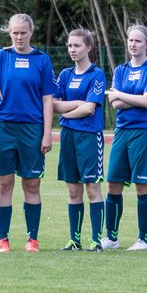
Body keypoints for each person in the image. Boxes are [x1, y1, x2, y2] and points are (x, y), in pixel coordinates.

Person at [0, 13, 57, 252]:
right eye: (14, 32)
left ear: (31, 32)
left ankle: (32, 239)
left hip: (33, 129)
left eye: (23, 32)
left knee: (31, 184)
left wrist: (47, 133)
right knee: (4, 183)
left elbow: (48, 99)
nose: (19, 36)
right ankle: (3, 239)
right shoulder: (1, 56)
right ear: (9, 33)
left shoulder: (42, 60)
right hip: (4, 127)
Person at [103, 25, 147, 251]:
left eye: (138, 41)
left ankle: (143, 239)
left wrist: (122, 95)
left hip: (146, 131)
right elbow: (114, 102)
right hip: (122, 131)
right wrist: (137, 97)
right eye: (130, 40)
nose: (133, 44)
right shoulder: (120, 70)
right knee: (112, 184)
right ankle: (111, 237)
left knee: (141, 185)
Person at [52, 28, 106, 252]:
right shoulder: (65, 75)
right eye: (69, 46)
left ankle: (96, 240)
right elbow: (55, 104)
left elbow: (90, 108)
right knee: (73, 190)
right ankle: (74, 239)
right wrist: (75, 106)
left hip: (89, 136)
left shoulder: (97, 74)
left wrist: (66, 112)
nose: (72, 50)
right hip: (68, 137)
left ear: (89, 48)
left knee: (92, 188)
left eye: (77, 46)